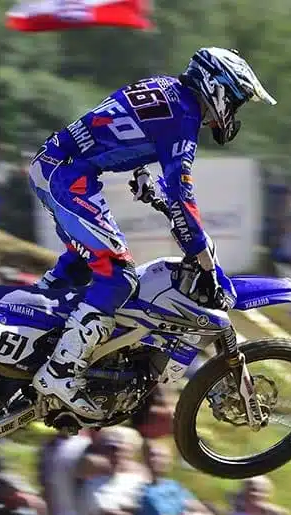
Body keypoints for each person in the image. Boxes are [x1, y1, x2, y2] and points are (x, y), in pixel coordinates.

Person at [28, 47, 276, 418]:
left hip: (57, 165)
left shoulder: (162, 86)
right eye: (236, 101)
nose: (233, 112)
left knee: (83, 266)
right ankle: (60, 373)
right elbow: (181, 195)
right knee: (118, 277)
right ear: (217, 87)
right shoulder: (184, 118)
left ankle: (26, 332)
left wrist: (140, 170)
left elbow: (115, 120)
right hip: (68, 177)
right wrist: (204, 260)